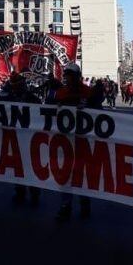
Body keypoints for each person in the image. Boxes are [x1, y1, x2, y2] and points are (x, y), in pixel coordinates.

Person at [54, 63, 93, 222]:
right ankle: (66, 205)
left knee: (82, 174)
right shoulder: (61, 92)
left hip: (82, 141)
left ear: (77, 76)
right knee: (65, 174)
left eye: (72, 75)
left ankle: (84, 202)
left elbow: (97, 111)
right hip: (65, 141)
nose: (68, 78)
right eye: (67, 75)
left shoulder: (87, 92)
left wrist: (87, 107)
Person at [7, 74, 41, 206]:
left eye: (18, 85)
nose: (16, 88)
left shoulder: (33, 99)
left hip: (30, 137)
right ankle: (20, 190)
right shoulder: (10, 98)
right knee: (18, 166)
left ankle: (34, 191)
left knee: (30, 165)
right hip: (16, 137)